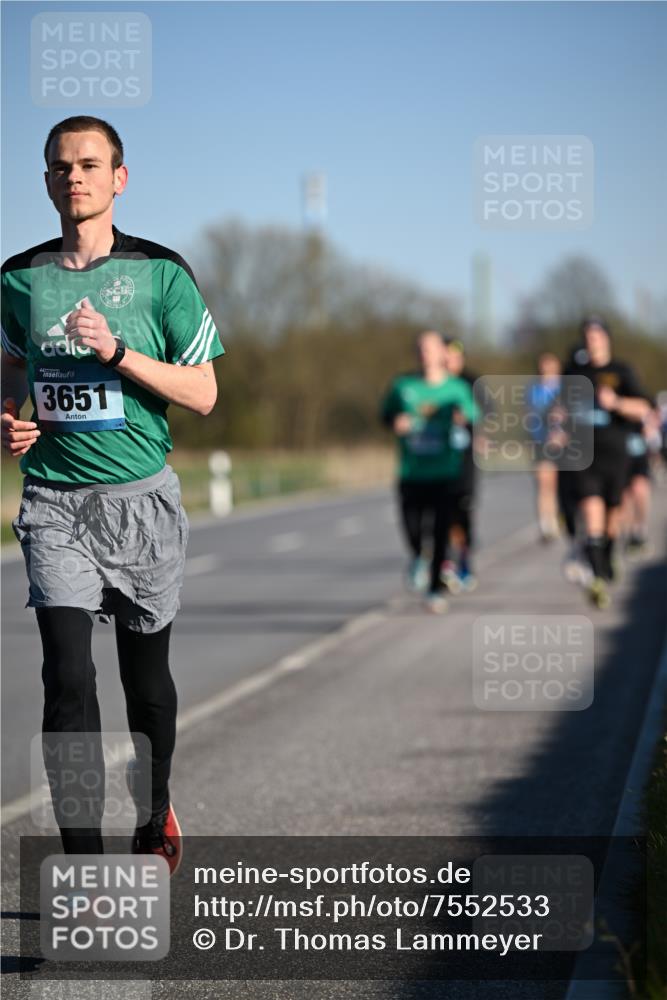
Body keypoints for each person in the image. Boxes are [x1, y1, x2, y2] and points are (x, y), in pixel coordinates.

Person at [1, 116, 224, 872]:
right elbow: (7, 373)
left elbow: (203, 394)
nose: (75, 178)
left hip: (142, 502)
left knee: (145, 683)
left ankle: (155, 807)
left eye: (91, 165)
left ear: (119, 178)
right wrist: (6, 421)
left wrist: (120, 352)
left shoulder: (162, 273)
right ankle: (86, 871)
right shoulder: (18, 278)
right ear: (46, 181)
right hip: (54, 504)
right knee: (66, 676)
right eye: (62, 167)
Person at [380, 331, 477, 614]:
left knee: (439, 532)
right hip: (411, 470)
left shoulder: (456, 388)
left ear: (441, 354)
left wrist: (462, 419)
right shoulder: (402, 386)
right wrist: (395, 421)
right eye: (420, 348)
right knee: (412, 528)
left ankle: (435, 589)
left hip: (445, 471)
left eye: (430, 349)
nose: (425, 354)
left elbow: (473, 415)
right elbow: (385, 414)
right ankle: (417, 557)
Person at [564, 317, 651, 608]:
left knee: (613, 516)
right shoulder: (575, 372)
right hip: (584, 456)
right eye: (588, 336)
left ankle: (607, 555)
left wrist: (616, 403)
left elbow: (643, 409)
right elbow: (558, 408)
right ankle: (598, 577)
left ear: (606, 340)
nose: (593, 341)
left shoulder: (621, 371)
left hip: (616, 456)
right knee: (592, 511)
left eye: (598, 336)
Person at [441, 338, 479, 591]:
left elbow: (489, 412)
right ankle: (445, 563)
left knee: (461, 513)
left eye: (455, 356)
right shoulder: (431, 382)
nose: (451, 361)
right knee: (439, 512)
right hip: (437, 458)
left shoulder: (471, 382)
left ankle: (463, 557)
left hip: (464, 459)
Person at [525, 352, 563, 543]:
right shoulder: (533, 389)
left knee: (558, 484)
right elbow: (531, 415)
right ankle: (545, 524)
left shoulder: (564, 388)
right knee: (543, 482)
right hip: (541, 441)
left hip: (564, 443)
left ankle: (558, 516)